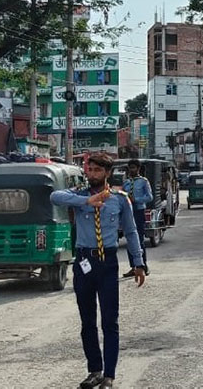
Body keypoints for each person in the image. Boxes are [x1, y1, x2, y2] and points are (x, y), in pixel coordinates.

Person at [50, 152, 145, 389]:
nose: (91, 174)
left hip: (107, 262)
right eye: (89, 170)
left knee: (110, 321)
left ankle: (109, 375)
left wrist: (138, 263)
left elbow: (132, 232)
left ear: (107, 173)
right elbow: (54, 196)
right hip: (84, 262)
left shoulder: (120, 199)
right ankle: (94, 370)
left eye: (96, 171)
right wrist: (86, 202)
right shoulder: (78, 195)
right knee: (87, 321)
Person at [121, 159, 153, 278]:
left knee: (139, 239)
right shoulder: (126, 182)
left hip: (139, 211)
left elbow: (149, 197)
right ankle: (133, 267)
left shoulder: (144, 182)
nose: (131, 170)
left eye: (134, 168)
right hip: (128, 212)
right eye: (130, 168)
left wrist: (137, 200)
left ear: (138, 169)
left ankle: (143, 265)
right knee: (129, 240)